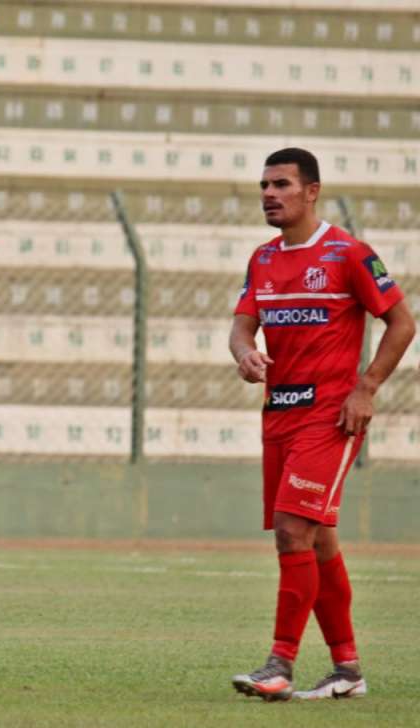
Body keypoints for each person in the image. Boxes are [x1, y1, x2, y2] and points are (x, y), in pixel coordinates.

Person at [228, 147, 415, 701]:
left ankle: (279, 663)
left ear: (311, 191)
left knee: (292, 529)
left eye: (281, 184)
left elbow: (402, 323)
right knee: (320, 541)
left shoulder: (348, 253)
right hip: (279, 415)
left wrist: (367, 387)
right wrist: (244, 352)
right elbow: (241, 326)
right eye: (264, 185)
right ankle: (348, 671)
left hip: (329, 416)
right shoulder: (262, 260)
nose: (269, 194)